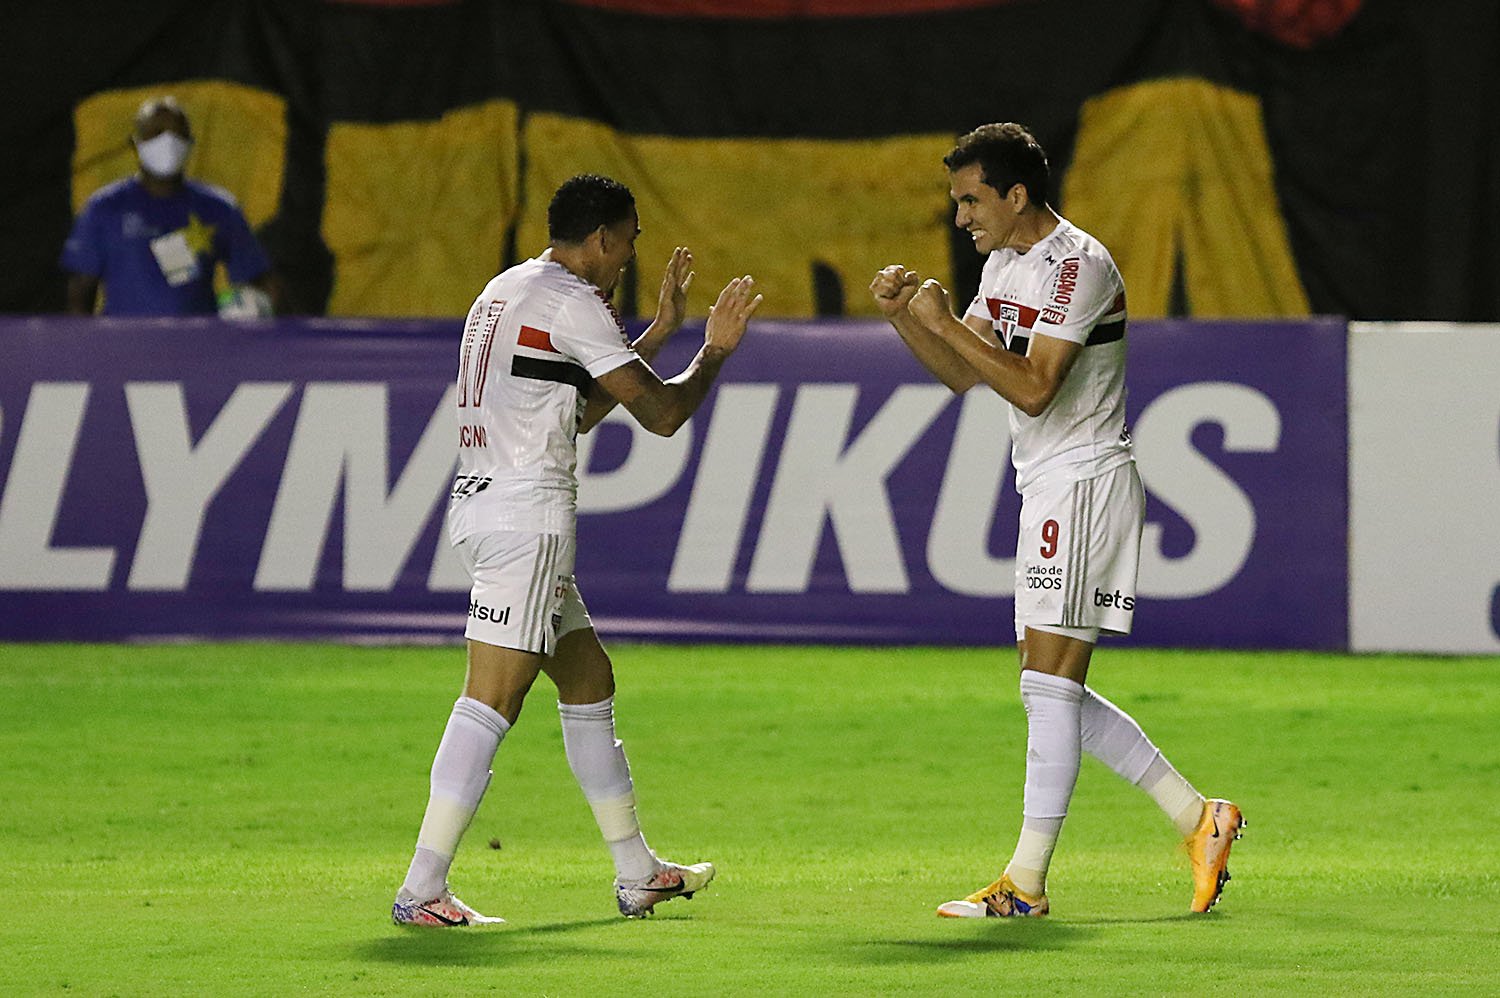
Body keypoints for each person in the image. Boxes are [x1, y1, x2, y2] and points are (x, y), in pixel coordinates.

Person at [870, 123, 1243, 918]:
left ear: (1016, 195)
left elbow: (1036, 387)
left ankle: (1026, 884)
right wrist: (909, 317)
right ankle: (1199, 817)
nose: (961, 218)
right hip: (1047, 487)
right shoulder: (1004, 265)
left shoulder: (1078, 264)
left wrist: (939, 322)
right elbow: (960, 374)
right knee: (1051, 689)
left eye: (971, 201)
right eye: (955, 203)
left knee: (1047, 686)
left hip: (1084, 482)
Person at [392, 173, 762, 927]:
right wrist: (714, 352)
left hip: (487, 506)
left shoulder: (507, 290)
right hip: (525, 520)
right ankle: (422, 888)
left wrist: (657, 335)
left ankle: (636, 871)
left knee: (588, 676)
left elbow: (573, 409)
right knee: (492, 696)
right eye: (628, 241)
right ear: (599, 240)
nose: (628, 257)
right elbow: (659, 414)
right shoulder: (572, 301)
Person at [60, 95, 275, 316]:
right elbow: (80, 291)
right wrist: (86, 347)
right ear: (135, 143)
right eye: (156, 133)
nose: (168, 141)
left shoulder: (218, 207)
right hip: (124, 346)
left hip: (198, 346)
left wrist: (251, 320)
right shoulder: (104, 208)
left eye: (177, 133)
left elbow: (260, 281)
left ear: (190, 142)